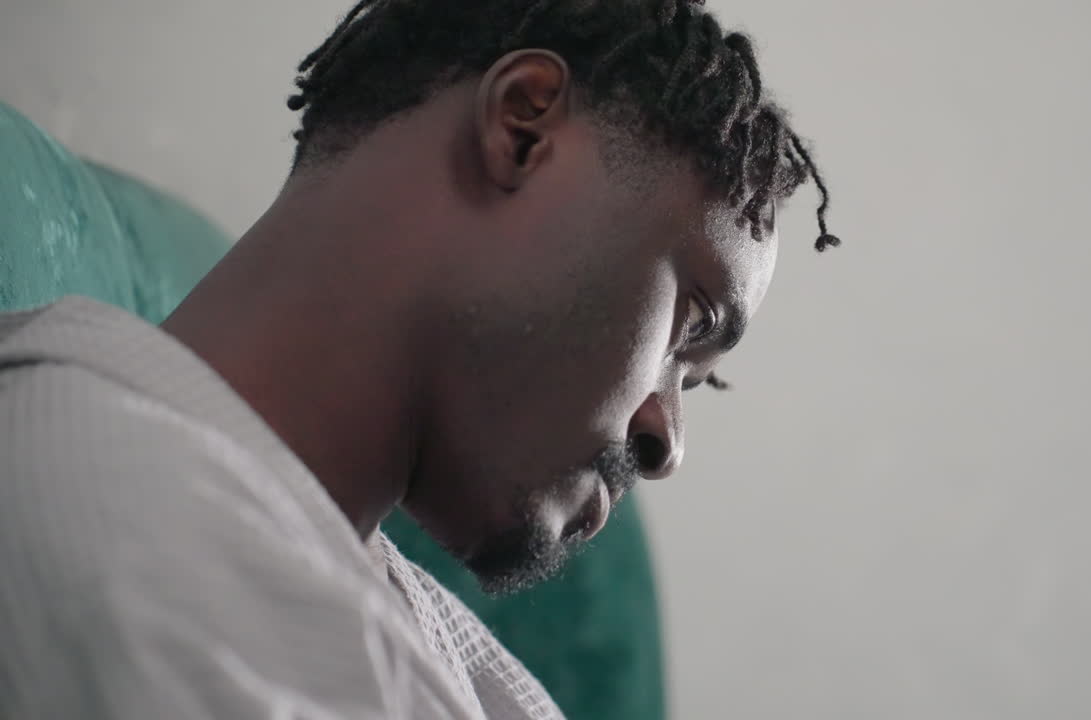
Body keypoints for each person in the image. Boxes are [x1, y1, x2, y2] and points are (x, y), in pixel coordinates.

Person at [0, 0, 838, 717]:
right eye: (691, 323)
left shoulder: (385, 613)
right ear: (521, 127)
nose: (667, 442)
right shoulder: (120, 515)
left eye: (695, 381)